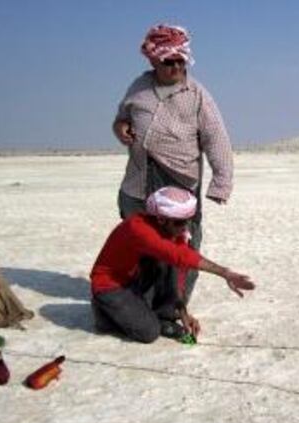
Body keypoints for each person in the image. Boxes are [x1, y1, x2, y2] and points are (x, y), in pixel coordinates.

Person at [112, 23, 234, 305]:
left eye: (181, 61)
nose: (176, 67)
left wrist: (221, 184)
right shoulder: (139, 87)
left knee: (180, 252)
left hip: (179, 186)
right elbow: (121, 118)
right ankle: (142, 302)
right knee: (142, 248)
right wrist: (120, 127)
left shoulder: (197, 95)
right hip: (137, 185)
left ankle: (171, 309)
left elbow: (217, 139)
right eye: (169, 62)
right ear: (153, 59)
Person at [90, 187, 254, 343]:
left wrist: (182, 313)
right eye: (179, 223)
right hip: (110, 286)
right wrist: (225, 273)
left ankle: (164, 315)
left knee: (168, 264)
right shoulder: (138, 228)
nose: (184, 227)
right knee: (149, 333)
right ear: (161, 219)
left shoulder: (174, 231)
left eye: (187, 222)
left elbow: (179, 271)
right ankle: (105, 314)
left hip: (134, 278)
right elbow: (180, 256)